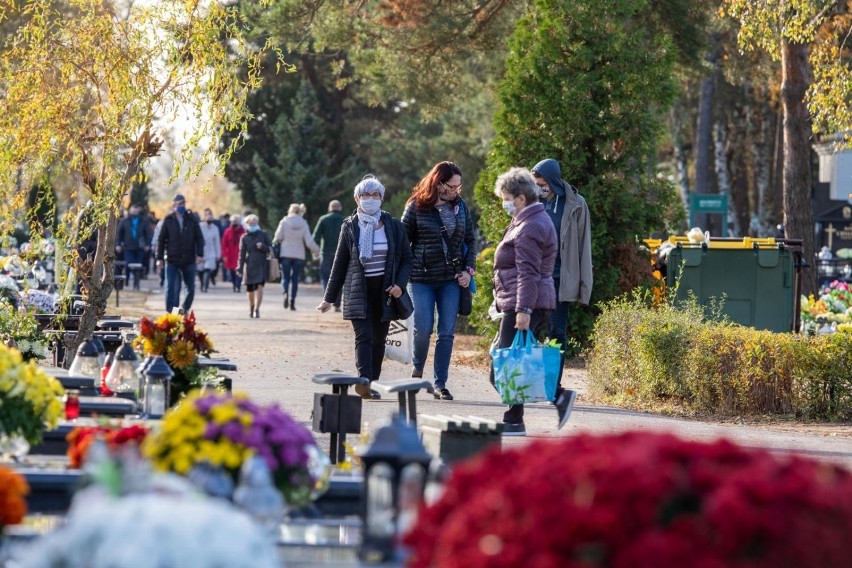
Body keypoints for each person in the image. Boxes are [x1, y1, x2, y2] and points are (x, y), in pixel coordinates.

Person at [491, 167, 575, 436]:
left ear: (520, 198)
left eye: (506, 197)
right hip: (520, 300)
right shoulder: (527, 220)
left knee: (506, 365)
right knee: (507, 363)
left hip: (525, 301)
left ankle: (517, 419)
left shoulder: (531, 226)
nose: (504, 202)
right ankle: (549, 400)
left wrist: (523, 310)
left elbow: (528, 272)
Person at [317, 175, 412, 399]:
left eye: (375, 195)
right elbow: (340, 263)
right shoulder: (349, 227)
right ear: (357, 199)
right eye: (366, 195)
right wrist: (329, 298)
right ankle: (364, 380)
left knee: (379, 339)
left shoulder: (393, 225)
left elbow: (407, 258)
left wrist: (399, 284)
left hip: (386, 292)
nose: (371, 199)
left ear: (382, 198)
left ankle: (372, 383)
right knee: (364, 336)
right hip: (358, 290)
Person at [401, 161, 476, 401]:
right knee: (423, 329)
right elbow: (403, 243)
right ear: (438, 182)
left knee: (446, 332)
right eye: (450, 186)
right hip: (421, 277)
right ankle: (418, 363)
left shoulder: (461, 207)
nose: (455, 191)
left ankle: (439, 383)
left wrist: (468, 270)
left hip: (451, 279)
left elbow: (471, 241)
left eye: (458, 186)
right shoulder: (416, 207)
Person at [530, 158, 590, 410]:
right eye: (536, 183)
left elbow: (584, 246)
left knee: (557, 333)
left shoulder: (576, 203)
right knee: (528, 331)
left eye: (542, 183)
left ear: (553, 181)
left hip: (559, 278)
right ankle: (530, 382)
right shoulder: (532, 200)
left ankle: (553, 385)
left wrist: (584, 284)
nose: (539, 188)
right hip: (535, 277)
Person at [157, 194, 204, 314]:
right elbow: (161, 240)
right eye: (178, 204)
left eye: (183, 203)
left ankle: (184, 308)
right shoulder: (168, 220)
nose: (181, 206)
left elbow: (199, 238)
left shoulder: (192, 219)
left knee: (191, 288)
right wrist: (159, 258)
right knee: (171, 287)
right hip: (172, 259)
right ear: (174, 205)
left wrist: (200, 254)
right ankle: (171, 312)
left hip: (189, 259)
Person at [273, 203, 319, 311]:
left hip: (285, 254)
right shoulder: (304, 224)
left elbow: (277, 237)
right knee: (294, 279)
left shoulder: (284, 222)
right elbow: (309, 241)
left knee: (285, 277)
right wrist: (316, 251)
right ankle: (293, 301)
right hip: (299, 255)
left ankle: (285, 293)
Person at [312, 200, 345, 311]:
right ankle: (337, 304)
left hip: (325, 253)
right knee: (339, 279)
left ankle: (327, 300)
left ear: (329, 208)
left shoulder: (323, 219)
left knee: (326, 277)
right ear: (340, 208)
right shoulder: (344, 220)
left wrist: (314, 251)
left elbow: (315, 237)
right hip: (341, 255)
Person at [238, 214, 272, 318]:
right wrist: (239, 267)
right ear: (247, 225)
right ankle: (251, 306)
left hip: (261, 264)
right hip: (249, 266)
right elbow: (242, 253)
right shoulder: (244, 238)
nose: (253, 225)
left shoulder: (263, 234)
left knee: (260, 287)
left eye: (255, 223)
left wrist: (263, 247)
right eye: (250, 223)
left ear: (257, 223)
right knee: (250, 289)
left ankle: (257, 309)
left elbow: (270, 249)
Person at [115, 203, 152, 290]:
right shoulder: (124, 221)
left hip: (140, 248)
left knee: (138, 265)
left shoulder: (143, 221)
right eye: (133, 209)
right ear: (130, 209)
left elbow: (148, 234)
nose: (135, 211)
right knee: (129, 264)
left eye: (136, 209)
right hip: (128, 247)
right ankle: (127, 279)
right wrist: (118, 244)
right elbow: (119, 234)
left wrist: (147, 244)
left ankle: (136, 283)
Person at [198, 208, 222, 292]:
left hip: (211, 251)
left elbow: (217, 242)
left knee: (208, 269)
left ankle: (205, 286)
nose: (209, 217)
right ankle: (202, 284)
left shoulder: (215, 228)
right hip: (200, 251)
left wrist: (218, 254)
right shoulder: (199, 226)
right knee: (200, 270)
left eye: (210, 215)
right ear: (204, 216)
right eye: (207, 215)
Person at [221, 214, 245, 292]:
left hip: (240, 254)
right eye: (233, 221)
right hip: (230, 254)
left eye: (236, 221)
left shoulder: (243, 231)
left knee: (240, 270)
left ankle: (238, 285)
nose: (234, 223)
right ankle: (234, 284)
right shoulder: (228, 231)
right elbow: (224, 244)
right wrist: (224, 255)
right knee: (232, 271)